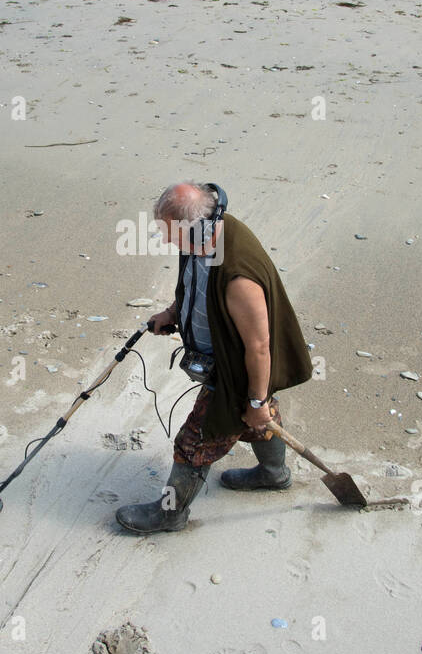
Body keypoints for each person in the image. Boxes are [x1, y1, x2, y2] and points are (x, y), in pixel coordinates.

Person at [115, 182, 313, 534]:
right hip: (228, 358)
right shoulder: (205, 232)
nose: (167, 242)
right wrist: (172, 312)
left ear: (197, 226)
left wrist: (254, 399)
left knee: (195, 441)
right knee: (258, 419)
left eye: (171, 235)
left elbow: (259, 347)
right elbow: (194, 284)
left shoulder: (239, 278)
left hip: (236, 369)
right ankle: (274, 474)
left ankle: (170, 514)